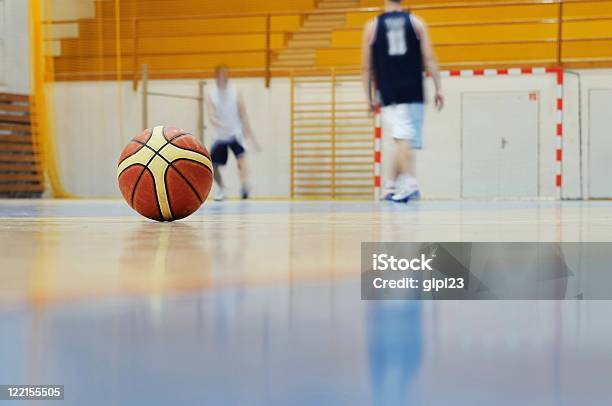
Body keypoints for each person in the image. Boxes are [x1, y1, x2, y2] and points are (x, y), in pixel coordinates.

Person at [361, 0, 444, 202]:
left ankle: (409, 183)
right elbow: (429, 58)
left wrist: (368, 98)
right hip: (414, 87)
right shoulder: (417, 23)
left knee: (402, 139)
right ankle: (391, 185)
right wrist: (438, 87)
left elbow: (366, 67)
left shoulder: (372, 26)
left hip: (390, 89)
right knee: (404, 139)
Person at [206, 65, 259, 201]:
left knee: (241, 160)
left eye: (225, 74)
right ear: (217, 75)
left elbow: (243, 113)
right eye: (220, 74)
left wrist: (250, 135)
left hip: (235, 132)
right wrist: (214, 121)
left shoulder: (235, 91)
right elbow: (210, 113)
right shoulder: (211, 93)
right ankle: (222, 189)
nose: (223, 77)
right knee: (213, 166)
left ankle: (244, 186)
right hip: (220, 135)